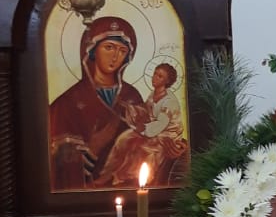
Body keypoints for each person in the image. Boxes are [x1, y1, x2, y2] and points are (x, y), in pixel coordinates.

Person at [48, 16, 144, 190]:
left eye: (122, 51)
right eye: (109, 47)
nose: (115, 56)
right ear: (92, 50)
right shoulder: (66, 104)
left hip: (128, 191)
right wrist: (93, 148)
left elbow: (146, 147)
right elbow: (53, 167)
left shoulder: (132, 97)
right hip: (84, 199)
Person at [92, 62, 188, 188]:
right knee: (123, 139)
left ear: (167, 81)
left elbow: (160, 124)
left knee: (144, 149)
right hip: (151, 130)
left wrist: (143, 128)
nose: (155, 78)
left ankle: (134, 180)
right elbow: (147, 110)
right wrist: (129, 108)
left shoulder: (169, 102)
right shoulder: (153, 94)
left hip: (166, 136)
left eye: (160, 76)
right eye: (155, 74)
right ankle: (108, 174)